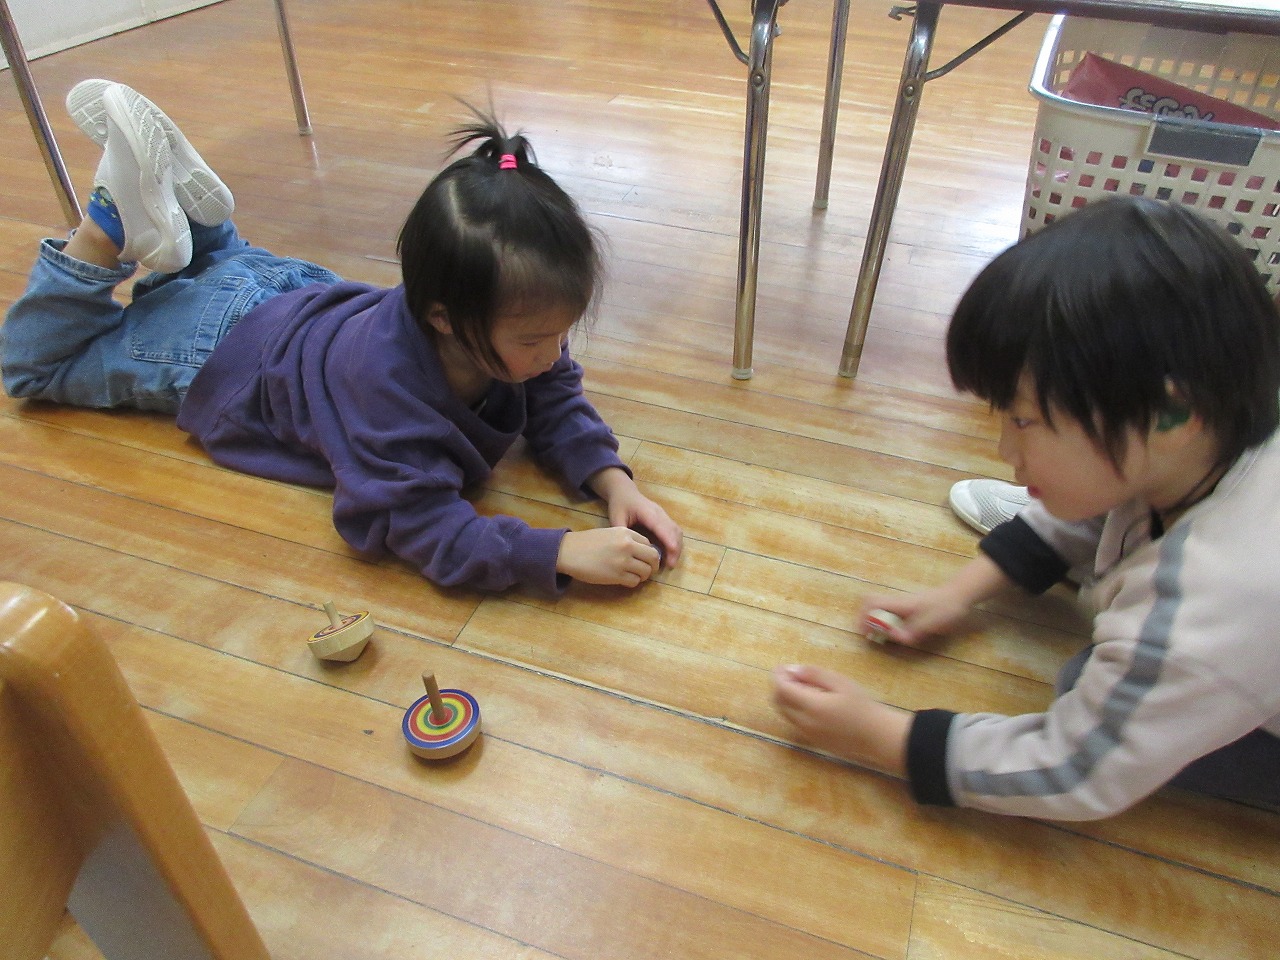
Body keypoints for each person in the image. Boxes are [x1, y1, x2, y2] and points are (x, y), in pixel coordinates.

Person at [1, 80, 682, 595]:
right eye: (537, 341)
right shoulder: (388, 398)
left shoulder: (500, 321)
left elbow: (553, 394)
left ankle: (191, 220)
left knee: (216, 269)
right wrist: (554, 551)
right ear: (444, 317)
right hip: (221, 346)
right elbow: (420, 526)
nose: (555, 355)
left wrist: (612, 482)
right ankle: (107, 224)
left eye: (562, 333)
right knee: (35, 369)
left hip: (289, 291)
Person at [773, 196, 1280, 820]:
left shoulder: (1205, 604)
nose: (1004, 451)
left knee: (1088, 683)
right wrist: (959, 593)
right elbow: (1099, 511)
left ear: (1169, 414)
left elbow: (1071, 769)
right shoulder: (1206, 439)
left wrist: (880, 735)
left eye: (1024, 421)